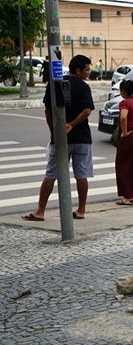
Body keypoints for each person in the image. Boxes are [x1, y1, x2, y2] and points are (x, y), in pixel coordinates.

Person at [21, 55, 95, 222]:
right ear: (78, 70)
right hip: (82, 137)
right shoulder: (83, 87)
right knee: (81, 175)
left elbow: (47, 110)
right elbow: (87, 111)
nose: (89, 72)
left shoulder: (54, 85)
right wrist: (72, 125)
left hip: (60, 137)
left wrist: (53, 131)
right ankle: (81, 210)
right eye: (87, 69)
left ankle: (40, 211)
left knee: (51, 173)